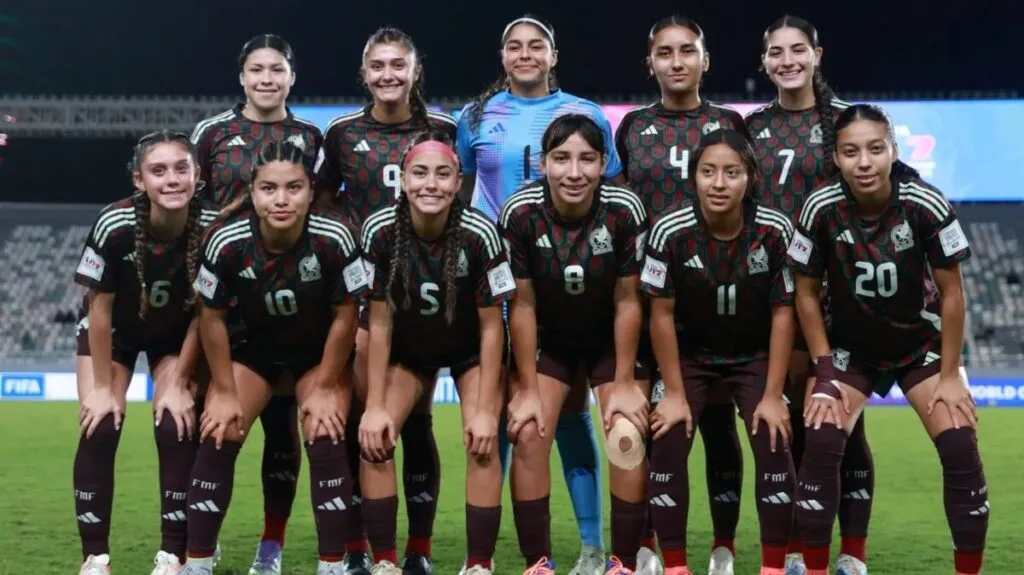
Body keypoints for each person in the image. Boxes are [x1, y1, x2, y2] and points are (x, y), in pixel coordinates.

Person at [787, 104, 987, 575]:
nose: (864, 162)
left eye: (876, 149)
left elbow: (953, 293)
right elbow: (806, 294)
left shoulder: (925, 202)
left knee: (960, 444)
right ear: (835, 158)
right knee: (820, 439)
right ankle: (817, 567)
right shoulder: (820, 207)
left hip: (920, 345)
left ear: (893, 151)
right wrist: (825, 370)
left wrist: (951, 375)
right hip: (850, 348)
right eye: (851, 151)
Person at [456, 15, 624, 574]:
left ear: (554, 56)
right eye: (514, 46)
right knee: (507, 410)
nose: (525, 54)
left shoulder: (585, 115)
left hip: (565, 284)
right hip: (500, 281)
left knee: (572, 410)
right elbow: (456, 195)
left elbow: (609, 199)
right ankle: (495, 553)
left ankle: (593, 546)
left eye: (536, 46)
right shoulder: (475, 117)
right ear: (502, 56)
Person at [180, 141, 365, 575]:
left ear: (309, 190)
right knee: (219, 431)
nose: (281, 200)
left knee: (326, 430)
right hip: (254, 355)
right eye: (269, 189)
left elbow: (346, 315)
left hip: (316, 357)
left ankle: (332, 565)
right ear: (254, 192)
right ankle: (197, 563)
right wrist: (223, 391)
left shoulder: (335, 237)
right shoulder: (226, 240)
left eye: (293, 188)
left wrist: (323, 387)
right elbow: (210, 318)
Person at [314, 27, 457, 574]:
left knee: (417, 420)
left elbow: (455, 199)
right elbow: (323, 202)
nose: (389, 75)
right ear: (365, 73)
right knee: (358, 419)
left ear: (415, 71)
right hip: (364, 293)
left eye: (399, 65)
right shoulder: (344, 133)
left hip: (424, 295)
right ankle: (358, 547)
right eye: (378, 65)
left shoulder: (440, 128)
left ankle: (416, 549)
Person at [613, 16, 749, 573]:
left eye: (687, 51)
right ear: (651, 63)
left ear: (704, 60)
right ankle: (647, 542)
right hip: (650, 297)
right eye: (665, 53)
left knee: (718, 424)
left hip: (718, 294)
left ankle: (723, 545)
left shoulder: (729, 123)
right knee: (653, 424)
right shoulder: (631, 128)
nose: (676, 62)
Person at [189, 33, 323, 575]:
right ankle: (200, 541)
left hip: (292, 303)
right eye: (256, 70)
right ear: (241, 77)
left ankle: (271, 546)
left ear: (292, 76)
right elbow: (191, 209)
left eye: (277, 70)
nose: (267, 79)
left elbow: (324, 208)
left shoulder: (312, 137)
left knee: (282, 429)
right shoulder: (212, 133)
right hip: (223, 296)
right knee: (213, 422)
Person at [744, 16, 871, 575]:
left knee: (844, 422)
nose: (788, 60)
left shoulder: (847, 120)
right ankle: (798, 547)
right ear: (764, 62)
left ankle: (851, 554)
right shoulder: (752, 128)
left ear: (817, 54)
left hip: (838, 290)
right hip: (775, 287)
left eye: (798, 50)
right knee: (794, 419)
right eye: (776, 52)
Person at [641, 128, 797, 575]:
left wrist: (772, 395)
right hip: (690, 356)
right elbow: (661, 315)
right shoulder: (669, 231)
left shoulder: (774, 229)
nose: (719, 183)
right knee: (668, 435)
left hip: (753, 356)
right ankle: (674, 566)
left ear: (749, 176)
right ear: (693, 178)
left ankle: (767, 565)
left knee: (772, 435)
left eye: (732, 172)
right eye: (708, 172)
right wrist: (672, 393)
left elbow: (784, 313)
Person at [357, 131, 513, 575]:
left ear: (458, 181)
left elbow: (490, 326)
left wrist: (485, 408)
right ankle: (386, 561)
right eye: (420, 173)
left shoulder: (481, 232)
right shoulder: (380, 231)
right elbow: (380, 321)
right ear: (403, 181)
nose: (431, 184)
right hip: (408, 352)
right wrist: (372, 405)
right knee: (377, 438)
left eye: (443, 174)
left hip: (469, 353)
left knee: (482, 443)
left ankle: (479, 564)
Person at [500, 113, 649, 575]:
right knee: (528, 431)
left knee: (626, 434)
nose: (574, 171)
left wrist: (624, 382)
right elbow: (521, 306)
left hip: (610, 339)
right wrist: (525, 388)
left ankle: (620, 561)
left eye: (587, 159)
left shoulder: (624, 209)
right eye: (561, 158)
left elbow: (628, 299)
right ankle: (538, 562)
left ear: (604, 163)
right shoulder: (520, 213)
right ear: (543, 163)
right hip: (550, 339)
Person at [73, 130, 218, 575]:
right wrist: (101, 388)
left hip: (179, 334)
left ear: (198, 176)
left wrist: (177, 381)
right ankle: (95, 558)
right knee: (100, 423)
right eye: (159, 171)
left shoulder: (214, 225)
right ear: (139, 181)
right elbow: (99, 309)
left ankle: (173, 554)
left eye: (181, 169)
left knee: (176, 422)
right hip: (114, 331)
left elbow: (205, 313)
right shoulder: (113, 224)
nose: (171, 179)